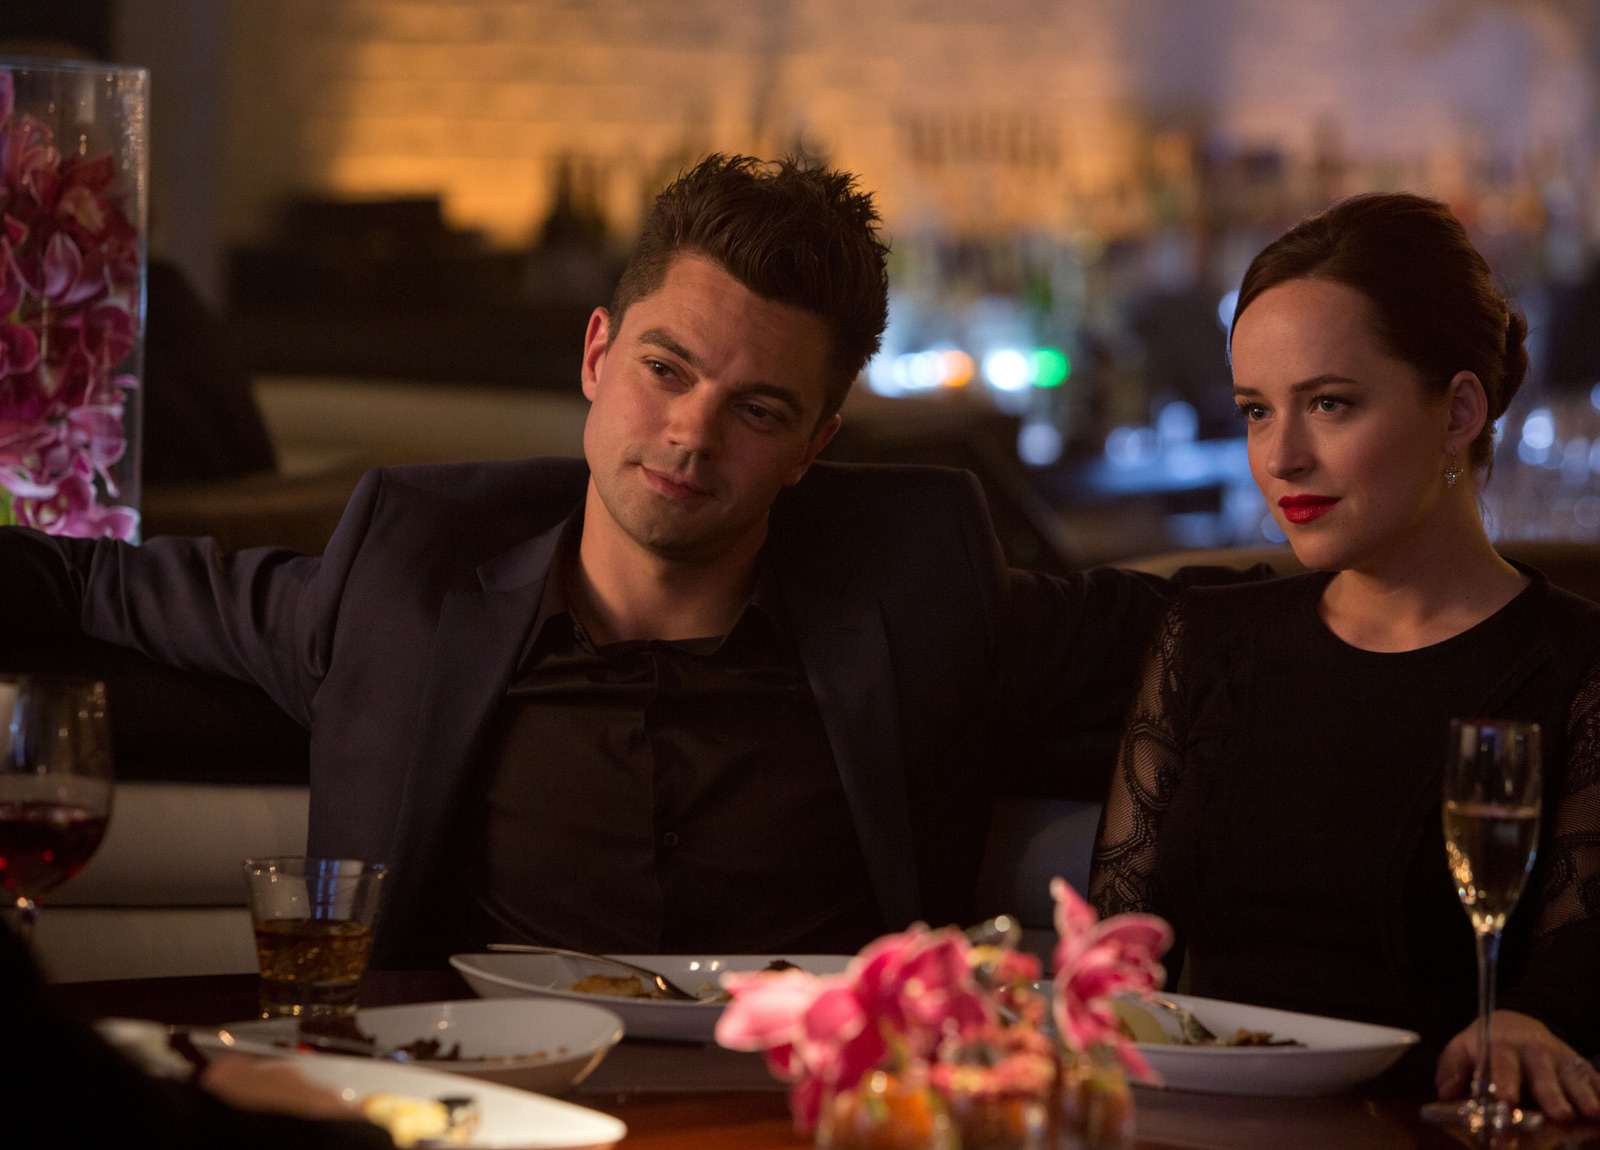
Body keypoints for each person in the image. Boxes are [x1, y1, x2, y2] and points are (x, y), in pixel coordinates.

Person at [0, 154, 1188, 968]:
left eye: (757, 409)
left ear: (814, 445)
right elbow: (99, 581)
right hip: (483, 1099)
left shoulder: (921, 597)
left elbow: (1206, 624)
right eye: (665, 370)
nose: (690, 435)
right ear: (594, 355)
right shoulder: (405, 583)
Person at [1089, 193, 1600, 1122]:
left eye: (1329, 404)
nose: (1281, 456)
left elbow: (1579, 962)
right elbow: (1114, 964)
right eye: (1255, 411)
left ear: (1459, 410)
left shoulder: (1578, 667)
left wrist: (1530, 1023)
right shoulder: (1205, 640)